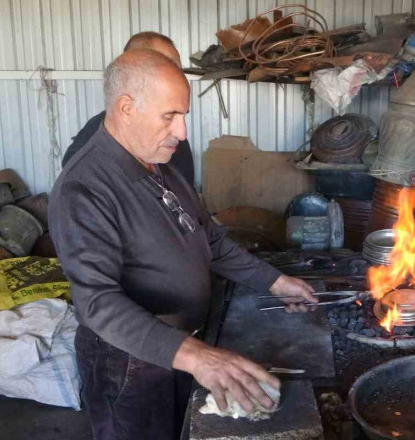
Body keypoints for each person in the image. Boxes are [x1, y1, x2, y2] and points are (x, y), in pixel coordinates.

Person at [49, 49, 318, 440]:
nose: (183, 132)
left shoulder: (158, 165)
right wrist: (200, 358)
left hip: (178, 349)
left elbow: (207, 237)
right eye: (169, 116)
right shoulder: (84, 189)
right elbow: (97, 303)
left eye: (183, 115)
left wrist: (274, 282)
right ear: (126, 107)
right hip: (128, 364)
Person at [62, 32, 195, 187]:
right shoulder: (87, 162)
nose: (181, 134)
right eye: (161, 64)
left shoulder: (175, 138)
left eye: (177, 69)